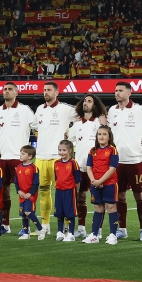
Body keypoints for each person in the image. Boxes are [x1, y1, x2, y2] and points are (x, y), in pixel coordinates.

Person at [32, 81, 77, 237]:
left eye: (49, 90)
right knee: (43, 191)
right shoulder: (39, 109)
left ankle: (67, 226)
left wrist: (71, 135)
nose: (46, 92)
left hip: (58, 158)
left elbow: (81, 118)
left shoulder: (66, 109)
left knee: (63, 192)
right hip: (40, 157)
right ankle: (45, 225)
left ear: (56, 92)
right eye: (44, 90)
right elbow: (36, 127)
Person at [108, 80, 142, 241]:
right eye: (115, 90)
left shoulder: (140, 110)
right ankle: (122, 229)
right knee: (120, 196)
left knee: (139, 195)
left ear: (129, 93)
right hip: (117, 160)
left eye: (120, 90)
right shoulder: (112, 110)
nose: (117, 93)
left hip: (135, 160)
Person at [0, 82, 35, 233]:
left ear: (16, 92)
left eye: (10, 89)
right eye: (5, 89)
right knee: (3, 191)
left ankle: (26, 226)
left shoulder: (24, 110)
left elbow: (38, 126)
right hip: (2, 157)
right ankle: (5, 225)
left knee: (24, 192)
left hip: (19, 157)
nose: (7, 91)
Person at [67, 94, 106, 239]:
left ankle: (98, 230)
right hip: (80, 166)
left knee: (98, 199)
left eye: (89, 101)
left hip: (96, 167)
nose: (85, 103)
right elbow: (69, 139)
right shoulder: (77, 124)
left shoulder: (99, 122)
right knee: (80, 197)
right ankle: (81, 228)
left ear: (94, 105)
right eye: (84, 101)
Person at [84, 124, 120, 245]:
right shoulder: (92, 150)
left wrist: (100, 181)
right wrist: (94, 181)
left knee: (111, 207)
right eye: (99, 134)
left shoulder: (112, 150)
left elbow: (112, 168)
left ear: (109, 137)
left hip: (110, 183)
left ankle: (113, 235)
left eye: (104, 134)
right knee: (97, 208)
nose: (101, 136)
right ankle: (94, 235)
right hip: (95, 183)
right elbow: (89, 167)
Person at [53, 140, 83, 241]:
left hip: (70, 191)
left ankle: (71, 234)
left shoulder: (73, 163)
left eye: (64, 150)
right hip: (59, 191)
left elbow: (77, 180)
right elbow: (56, 177)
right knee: (59, 213)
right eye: (60, 150)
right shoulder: (56, 163)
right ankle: (60, 232)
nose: (61, 152)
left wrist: (76, 192)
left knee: (70, 213)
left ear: (70, 150)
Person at [14, 146, 43, 239]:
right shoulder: (18, 167)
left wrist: (30, 193)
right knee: (23, 214)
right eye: (20, 153)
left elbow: (36, 183)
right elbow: (16, 182)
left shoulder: (34, 168)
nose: (20, 155)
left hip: (30, 195)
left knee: (28, 212)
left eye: (23, 154)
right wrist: (19, 191)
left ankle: (41, 229)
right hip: (22, 195)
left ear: (30, 156)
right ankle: (26, 233)